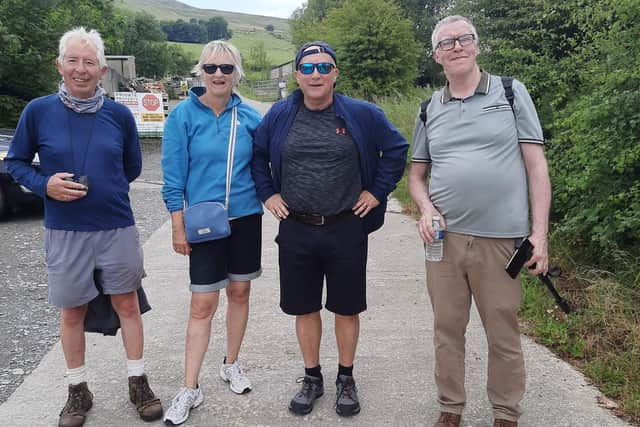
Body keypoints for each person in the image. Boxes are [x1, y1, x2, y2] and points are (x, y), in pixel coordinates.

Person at [6, 27, 162, 427]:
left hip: (116, 226)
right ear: (60, 65)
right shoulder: (38, 111)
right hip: (64, 230)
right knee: (71, 311)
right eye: (72, 61)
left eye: (89, 62)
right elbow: (16, 163)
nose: (80, 69)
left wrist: (105, 190)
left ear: (102, 69)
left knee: (127, 304)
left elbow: (133, 167)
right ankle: (77, 390)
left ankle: (137, 382)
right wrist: (46, 186)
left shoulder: (119, 115)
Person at [408, 15, 552, 427]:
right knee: (447, 330)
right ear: (436, 56)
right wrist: (425, 208)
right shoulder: (428, 107)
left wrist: (538, 236)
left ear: (476, 45)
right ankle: (450, 408)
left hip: (501, 240)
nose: (455, 47)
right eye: (446, 43)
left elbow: (536, 168)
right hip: (444, 240)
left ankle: (506, 413)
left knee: (502, 332)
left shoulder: (510, 92)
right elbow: (416, 176)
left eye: (463, 39)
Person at [252, 41, 408, 417]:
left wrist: (376, 190)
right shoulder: (280, 114)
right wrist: (268, 194)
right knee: (304, 308)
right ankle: (312, 377)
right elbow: (257, 156)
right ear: (297, 75)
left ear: (336, 73)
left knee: (346, 308)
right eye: (308, 68)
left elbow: (397, 148)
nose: (316, 74)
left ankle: (346, 377)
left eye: (324, 67)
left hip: (345, 228)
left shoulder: (361, 114)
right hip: (296, 228)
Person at [161, 40, 263, 426]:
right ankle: (190, 386)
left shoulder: (251, 118)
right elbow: (173, 178)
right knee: (202, 304)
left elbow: (267, 166)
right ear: (200, 72)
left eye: (227, 68)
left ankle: (231, 364)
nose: (218, 74)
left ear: (237, 73)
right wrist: (177, 225)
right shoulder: (183, 117)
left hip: (245, 219)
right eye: (211, 68)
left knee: (240, 291)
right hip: (204, 223)